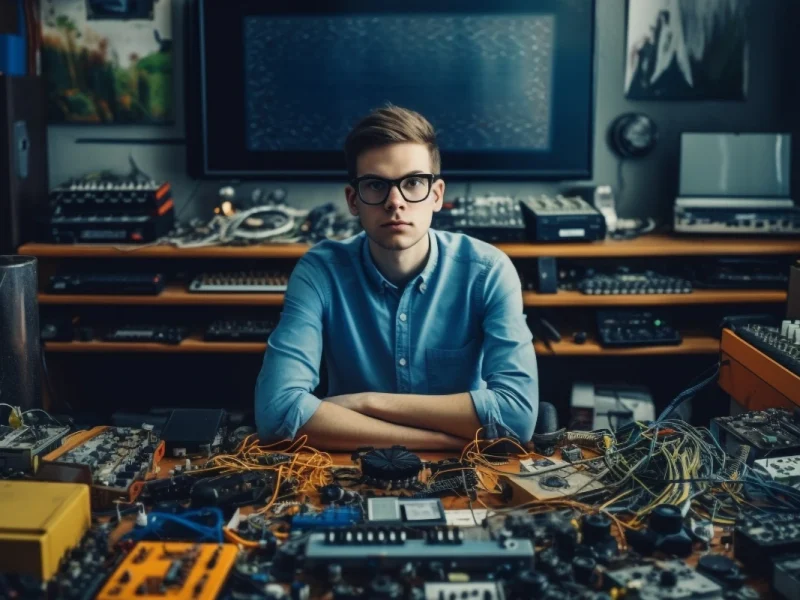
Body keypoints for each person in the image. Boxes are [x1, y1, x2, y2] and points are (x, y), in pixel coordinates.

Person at [255, 105, 538, 450]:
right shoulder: (320, 271)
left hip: (465, 467)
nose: (395, 202)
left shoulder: (488, 270)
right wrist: (435, 441)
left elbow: (516, 417)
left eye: (414, 182)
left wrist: (367, 402)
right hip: (367, 462)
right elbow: (276, 414)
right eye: (375, 185)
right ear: (353, 200)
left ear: (436, 195)